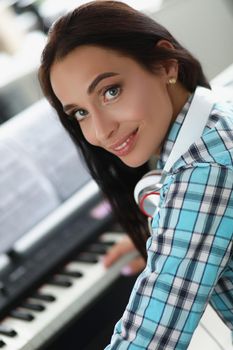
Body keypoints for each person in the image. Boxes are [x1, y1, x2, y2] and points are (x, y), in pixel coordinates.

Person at [38, 1, 233, 348]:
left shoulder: (204, 170)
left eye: (110, 91)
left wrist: (179, 226)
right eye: (80, 112)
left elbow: (149, 340)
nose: (101, 131)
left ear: (165, 64)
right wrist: (170, 228)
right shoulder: (216, 119)